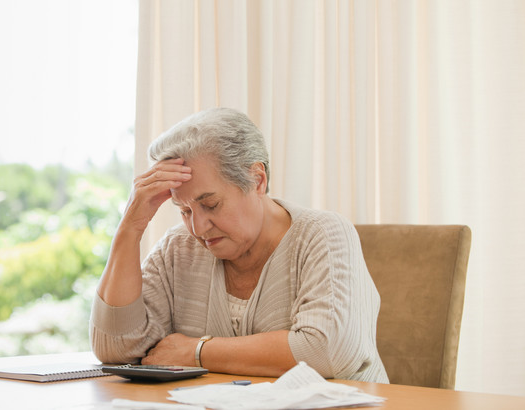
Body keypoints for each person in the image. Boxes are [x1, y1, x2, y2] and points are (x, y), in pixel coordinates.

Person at [90, 107, 389, 382]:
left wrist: (196, 352)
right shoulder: (178, 249)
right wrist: (130, 227)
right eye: (184, 211)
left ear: (257, 179)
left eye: (211, 204)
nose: (198, 227)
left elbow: (326, 351)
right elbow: (116, 347)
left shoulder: (324, 234)